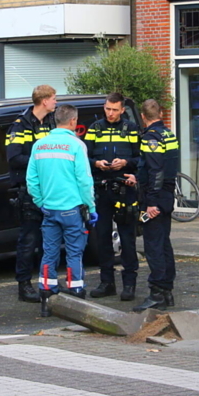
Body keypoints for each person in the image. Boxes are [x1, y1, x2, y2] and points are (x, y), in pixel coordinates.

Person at [26, 104, 97, 309]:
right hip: (72, 209)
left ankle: (46, 295)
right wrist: (91, 208)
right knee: (74, 252)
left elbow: (32, 180)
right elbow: (84, 180)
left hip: (49, 209)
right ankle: (76, 292)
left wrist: (41, 202)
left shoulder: (39, 145)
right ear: (73, 121)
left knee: (49, 253)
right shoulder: (76, 145)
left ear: (55, 119)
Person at [84, 92, 140, 301]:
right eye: (107, 108)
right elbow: (85, 157)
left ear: (122, 110)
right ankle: (106, 282)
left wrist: (125, 163)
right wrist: (96, 164)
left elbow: (139, 157)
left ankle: (129, 284)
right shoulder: (94, 128)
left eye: (115, 110)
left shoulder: (131, 129)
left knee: (127, 238)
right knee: (103, 238)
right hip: (102, 189)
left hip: (125, 188)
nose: (110, 113)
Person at [6, 84, 57, 303]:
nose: (56, 102)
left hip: (50, 189)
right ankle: (24, 285)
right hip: (28, 191)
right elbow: (14, 157)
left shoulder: (51, 122)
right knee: (28, 240)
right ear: (44, 101)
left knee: (50, 240)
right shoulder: (20, 126)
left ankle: (48, 281)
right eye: (54, 99)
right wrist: (41, 162)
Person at [129, 99, 179, 312]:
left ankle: (157, 292)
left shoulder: (151, 137)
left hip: (154, 201)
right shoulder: (169, 134)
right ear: (160, 113)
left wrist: (151, 203)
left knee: (153, 246)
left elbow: (155, 171)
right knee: (164, 243)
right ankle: (166, 290)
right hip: (166, 196)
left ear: (142, 116)